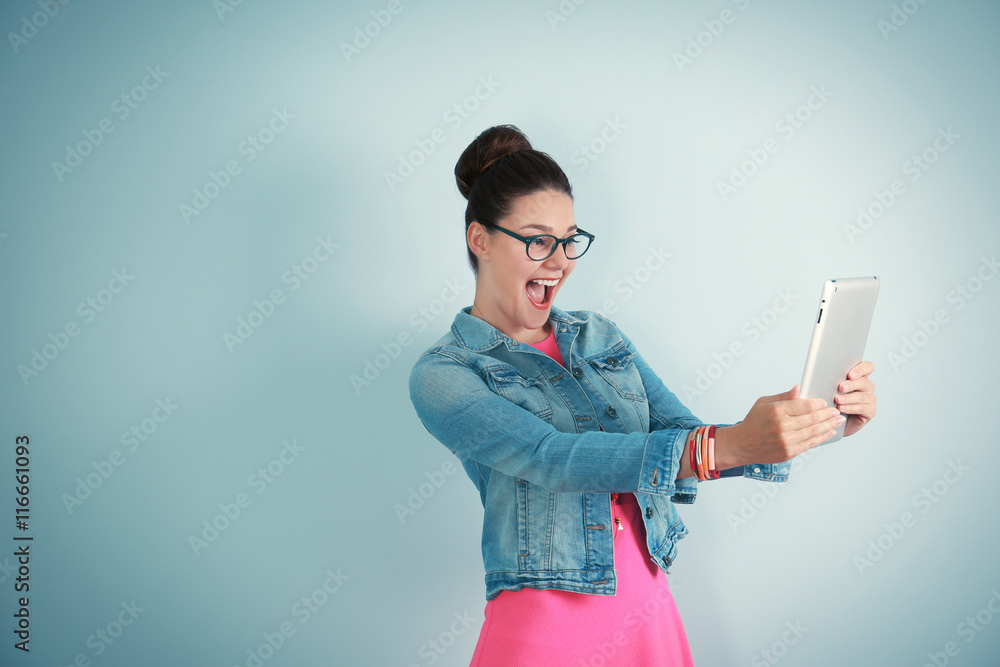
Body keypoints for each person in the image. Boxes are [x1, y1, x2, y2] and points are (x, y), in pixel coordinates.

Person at [407, 124, 877, 666]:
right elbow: (552, 458)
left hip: (647, 614)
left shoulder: (598, 334)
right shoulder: (445, 373)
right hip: (544, 632)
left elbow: (684, 436)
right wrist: (727, 444)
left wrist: (813, 420)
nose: (560, 261)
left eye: (569, 240)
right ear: (481, 240)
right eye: (538, 240)